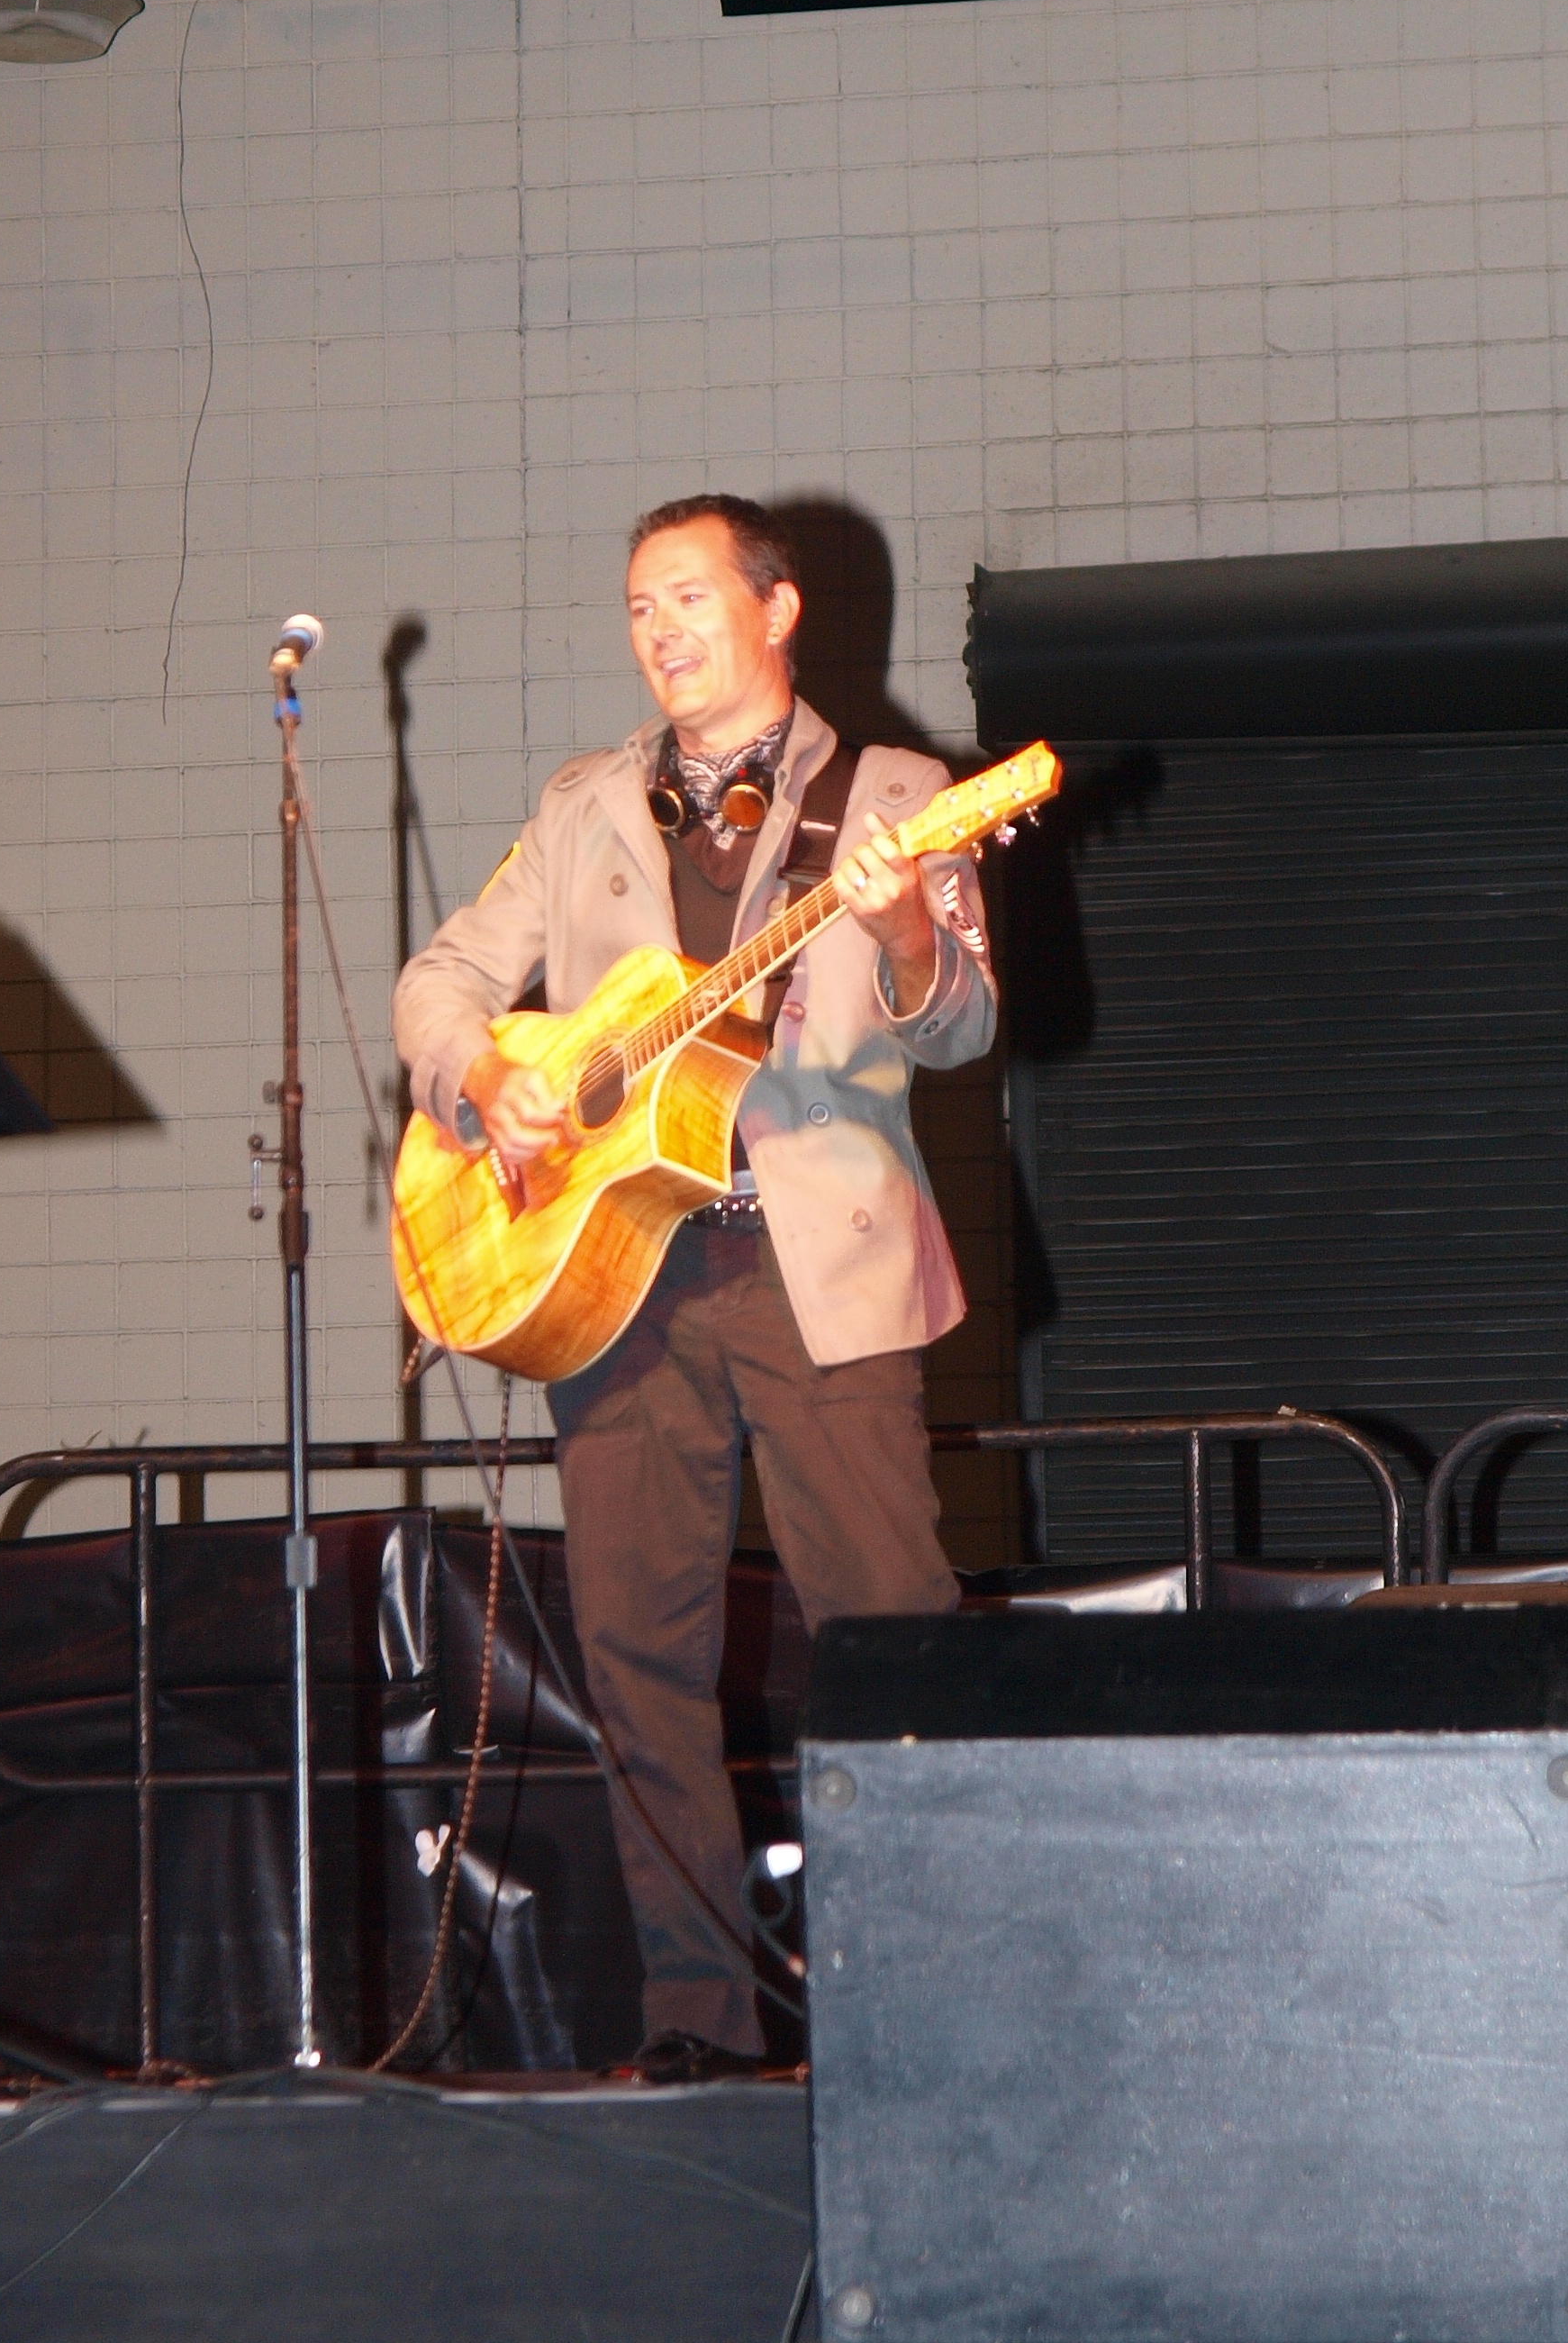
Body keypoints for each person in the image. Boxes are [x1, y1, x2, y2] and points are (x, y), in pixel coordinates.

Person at [392, 494, 996, 2078]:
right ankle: (697, 2023)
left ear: (776, 611)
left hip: (820, 1270)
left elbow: (962, 1023)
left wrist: (904, 933)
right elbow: (441, 983)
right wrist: (486, 1082)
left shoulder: (899, 795)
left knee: (887, 1638)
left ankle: (921, 2020)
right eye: (638, 607)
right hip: (622, 1281)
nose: (658, 630)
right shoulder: (584, 802)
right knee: (638, 1659)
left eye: (688, 598)